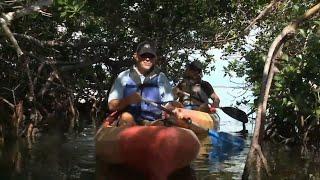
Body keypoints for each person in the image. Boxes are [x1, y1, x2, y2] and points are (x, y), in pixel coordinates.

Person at [107, 40, 175, 126]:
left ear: (155, 58)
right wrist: (128, 100)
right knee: (126, 116)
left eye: (151, 56)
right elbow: (111, 106)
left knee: (161, 124)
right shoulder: (123, 76)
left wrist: (173, 110)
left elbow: (168, 104)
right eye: (144, 55)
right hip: (128, 121)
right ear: (136, 56)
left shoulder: (161, 77)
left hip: (154, 121)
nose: (147, 59)